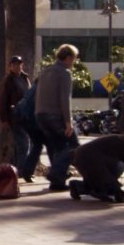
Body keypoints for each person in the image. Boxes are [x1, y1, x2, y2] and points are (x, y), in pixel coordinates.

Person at [35, 44, 80, 191]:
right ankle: (56, 174)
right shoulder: (64, 73)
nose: (74, 62)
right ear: (68, 58)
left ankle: (57, 182)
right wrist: (68, 122)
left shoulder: (46, 71)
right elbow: (64, 99)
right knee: (72, 145)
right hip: (55, 116)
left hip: (41, 115)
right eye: (74, 58)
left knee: (57, 147)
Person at [0, 55, 31, 175]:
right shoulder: (9, 80)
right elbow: (3, 101)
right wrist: (4, 119)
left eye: (19, 64)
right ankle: (21, 170)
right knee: (23, 144)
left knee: (20, 144)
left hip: (26, 116)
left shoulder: (24, 77)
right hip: (15, 117)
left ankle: (16, 168)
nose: (17, 66)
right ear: (10, 66)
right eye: (15, 64)